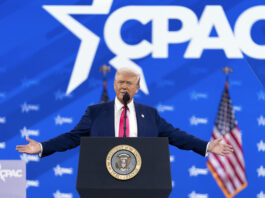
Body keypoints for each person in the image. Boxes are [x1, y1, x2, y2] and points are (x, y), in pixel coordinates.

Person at [16, 67, 233, 157]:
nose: (123, 86)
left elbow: (176, 136)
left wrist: (207, 145)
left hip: (143, 183)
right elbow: (72, 138)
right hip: (102, 182)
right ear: (114, 85)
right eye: (120, 82)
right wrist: (42, 146)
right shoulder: (95, 112)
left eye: (129, 83)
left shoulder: (150, 114)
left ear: (137, 89)